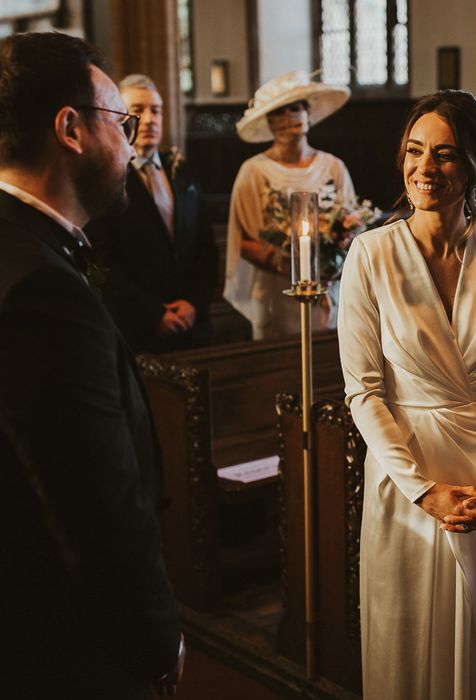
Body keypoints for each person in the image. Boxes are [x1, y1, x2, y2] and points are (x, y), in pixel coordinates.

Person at [337, 90, 476, 699]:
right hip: (408, 478)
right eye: (414, 150)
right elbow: (363, 391)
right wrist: (424, 489)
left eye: (446, 154)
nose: (425, 168)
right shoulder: (371, 254)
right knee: (408, 640)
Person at [0, 33, 183, 698]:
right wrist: (157, 638)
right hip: (67, 641)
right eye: (120, 121)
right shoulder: (45, 290)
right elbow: (96, 503)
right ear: (70, 129)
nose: (132, 142)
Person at [86, 73, 218, 353]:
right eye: (138, 111)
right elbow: (102, 259)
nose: (149, 119)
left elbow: (206, 246)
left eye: (155, 110)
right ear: (122, 117)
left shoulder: (181, 171)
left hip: (192, 325)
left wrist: (194, 303)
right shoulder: (108, 177)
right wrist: (153, 314)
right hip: (137, 330)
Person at [224, 70, 355, 339]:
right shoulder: (253, 172)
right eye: (280, 113)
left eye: (296, 109)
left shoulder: (333, 167)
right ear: (269, 122)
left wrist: (332, 260)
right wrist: (293, 266)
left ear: (308, 114)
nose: (290, 119)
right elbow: (244, 242)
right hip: (276, 295)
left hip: (328, 287)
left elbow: (352, 227)